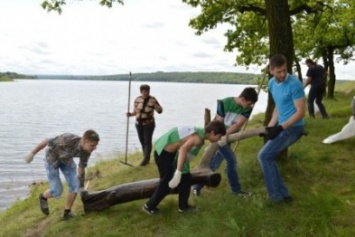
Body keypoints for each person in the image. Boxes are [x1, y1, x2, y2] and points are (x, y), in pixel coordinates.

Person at [142, 120, 226, 215]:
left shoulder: (200, 133)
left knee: (186, 178)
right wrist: (178, 173)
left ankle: (183, 207)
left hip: (171, 153)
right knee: (167, 181)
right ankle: (149, 206)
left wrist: (182, 172)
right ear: (212, 133)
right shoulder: (197, 138)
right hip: (162, 153)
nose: (219, 139)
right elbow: (183, 149)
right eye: (219, 137)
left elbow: (184, 152)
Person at [192, 87, 258, 197]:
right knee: (231, 160)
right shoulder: (224, 103)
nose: (250, 106)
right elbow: (218, 122)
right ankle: (236, 191)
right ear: (242, 99)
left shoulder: (248, 108)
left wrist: (226, 136)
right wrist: (221, 137)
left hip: (229, 136)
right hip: (219, 135)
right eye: (249, 103)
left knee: (215, 162)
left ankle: (197, 187)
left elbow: (237, 125)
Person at [258, 54, 305, 203]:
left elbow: (301, 112)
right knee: (268, 157)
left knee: (264, 156)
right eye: (279, 71)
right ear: (271, 70)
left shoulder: (294, 84)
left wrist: (280, 128)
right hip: (282, 126)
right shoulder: (271, 83)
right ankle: (284, 195)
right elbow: (278, 106)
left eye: (285, 70)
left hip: (294, 127)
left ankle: (276, 197)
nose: (283, 74)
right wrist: (271, 126)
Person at [23, 129, 100, 220]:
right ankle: (43, 197)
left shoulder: (86, 151)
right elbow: (47, 141)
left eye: (96, 145)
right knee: (57, 191)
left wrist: (82, 187)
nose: (95, 148)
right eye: (92, 145)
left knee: (75, 185)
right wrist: (32, 153)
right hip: (52, 160)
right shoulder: (68, 139)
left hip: (66, 160)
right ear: (84, 141)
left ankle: (67, 213)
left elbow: (81, 168)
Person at [127, 84, 163, 166]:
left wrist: (155, 105)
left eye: (147, 91)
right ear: (141, 92)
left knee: (147, 141)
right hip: (138, 124)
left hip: (149, 124)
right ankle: (145, 157)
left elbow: (160, 111)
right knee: (142, 141)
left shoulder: (152, 100)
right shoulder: (137, 100)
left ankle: (146, 160)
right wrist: (130, 114)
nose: (146, 93)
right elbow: (135, 112)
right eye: (144, 91)